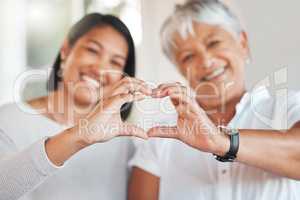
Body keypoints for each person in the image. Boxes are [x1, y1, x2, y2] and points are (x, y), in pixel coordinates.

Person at [128, 1, 300, 200]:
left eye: (214, 43)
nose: (206, 62)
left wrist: (222, 142)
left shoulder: (287, 106)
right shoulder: (160, 137)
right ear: (180, 69)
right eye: (189, 56)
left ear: (242, 43)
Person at [0, 13, 152, 200]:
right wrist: (79, 136)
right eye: (93, 50)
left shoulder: (123, 142)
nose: (99, 69)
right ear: (66, 51)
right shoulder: (8, 121)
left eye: (115, 62)